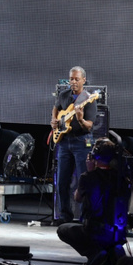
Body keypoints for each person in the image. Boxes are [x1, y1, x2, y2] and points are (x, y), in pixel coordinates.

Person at [57, 139, 129, 265]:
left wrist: (89, 172)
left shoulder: (88, 177)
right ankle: (111, 252)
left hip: (95, 231)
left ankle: (94, 253)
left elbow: (77, 198)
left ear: (94, 156)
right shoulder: (121, 178)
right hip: (118, 233)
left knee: (63, 229)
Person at [50, 66, 97, 225]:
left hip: (81, 142)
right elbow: (56, 108)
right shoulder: (64, 95)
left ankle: (86, 217)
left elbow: (89, 126)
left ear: (84, 80)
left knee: (83, 180)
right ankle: (65, 216)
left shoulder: (88, 99)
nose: (74, 82)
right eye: (71, 79)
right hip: (64, 142)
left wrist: (80, 118)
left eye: (77, 79)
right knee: (62, 181)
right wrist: (54, 120)